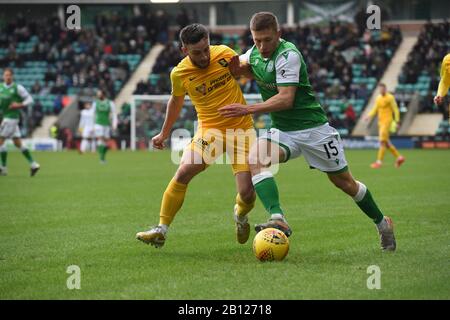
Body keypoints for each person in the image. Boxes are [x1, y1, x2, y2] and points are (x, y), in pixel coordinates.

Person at [218, 12, 396, 251]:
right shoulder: (254, 53)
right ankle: (277, 217)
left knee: (345, 183)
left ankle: (383, 223)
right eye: (257, 40)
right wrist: (232, 68)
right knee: (256, 159)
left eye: (267, 40)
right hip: (282, 129)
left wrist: (247, 109)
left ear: (278, 34)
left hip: (314, 130)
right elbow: (244, 69)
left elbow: (286, 99)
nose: (262, 46)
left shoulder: (288, 54)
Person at [136, 23, 256, 248]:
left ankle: (240, 216)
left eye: (206, 49)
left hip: (242, 130)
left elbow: (250, 74)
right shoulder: (179, 73)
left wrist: (241, 70)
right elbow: (176, 101)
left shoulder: (225, 54)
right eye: (196, 52)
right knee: (183, 172)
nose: (203, 56)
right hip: (210, 130)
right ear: (184, 51)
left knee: (247, 194)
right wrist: (164, 133)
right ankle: (161, 229)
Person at [0, 68, 40, 177]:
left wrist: (19, 105)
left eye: (9, 75)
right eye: (5, 75)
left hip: (12, 118)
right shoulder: (1, 87)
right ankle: (33, 164)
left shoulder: (17, 88)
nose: (7, 77)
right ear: (3, 76)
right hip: (4, 118)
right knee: (17, 142)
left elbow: (30, 100)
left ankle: (3, 168)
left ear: (12, 76)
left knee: (1, 141)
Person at [364, 83, 405, 169]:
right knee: (386, 143)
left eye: (382, 89)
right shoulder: (378, 98)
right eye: (380, 89)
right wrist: (368, 116)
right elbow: (375, 109)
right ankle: (399, 157)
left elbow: (395, 109)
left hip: (387, 122)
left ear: (385, 89)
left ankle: (379, 162)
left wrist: (397, 121)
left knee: (382, 142)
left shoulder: (390, 97)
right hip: (381, 122)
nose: (381, 90)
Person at [92, 90, 117, 163]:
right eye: (97, 94)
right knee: (100, 139)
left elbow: (114, 114)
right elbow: (92, 114)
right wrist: (92, 125)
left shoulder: (110, 103)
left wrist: (114, 124)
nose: (98, 96)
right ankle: (101, 159)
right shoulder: (95, 103)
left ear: (103, 95)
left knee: (106, 142)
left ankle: (103, 157)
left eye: (99, 94)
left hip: (106, 124)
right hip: (98, 124)